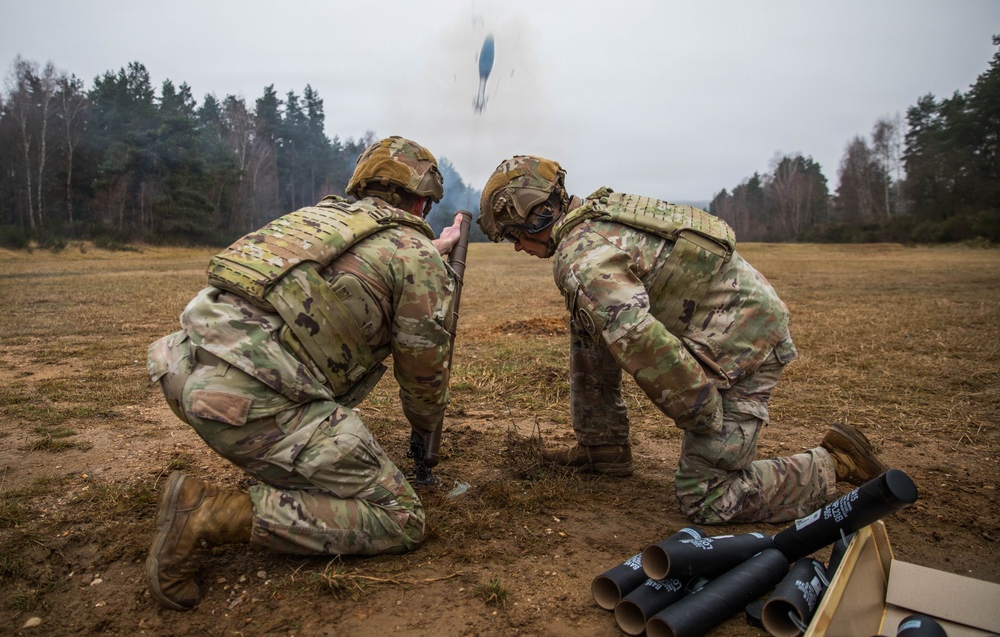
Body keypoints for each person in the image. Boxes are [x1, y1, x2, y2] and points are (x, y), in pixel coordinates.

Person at [476, 155, 889, 525]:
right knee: (587, 323)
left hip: (744, 347)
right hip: (734, 323)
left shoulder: (581, 259)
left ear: (535, 219)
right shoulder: (598, 215)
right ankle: (602, 448)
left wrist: (704, 415)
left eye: (515, 234)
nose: (516, 247)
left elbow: (641, 340)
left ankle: (837, 463)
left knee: (707, 498)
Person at [145, 136, 463, 611]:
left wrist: (427, 249)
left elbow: (354, 266)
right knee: (398, 515)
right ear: (422, 200)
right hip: (248, 402)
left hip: (178, 367)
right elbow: (424, 376)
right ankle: (208, 515)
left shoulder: (317, 219)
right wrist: (424, 429)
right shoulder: (413, 253)